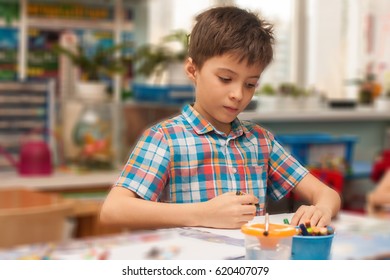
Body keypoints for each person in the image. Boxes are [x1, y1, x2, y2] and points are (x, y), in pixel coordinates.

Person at [100, 5, 341, 230]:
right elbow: (114, 209)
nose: (238, 94)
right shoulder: (165, 138)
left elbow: (328, 194)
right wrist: (203, 214)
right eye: (225, 79)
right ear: (193, 70)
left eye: (250, 84)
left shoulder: (260, 141)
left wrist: (321, 210)